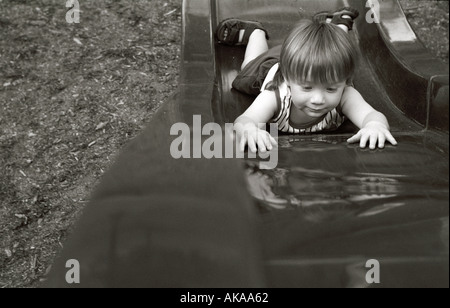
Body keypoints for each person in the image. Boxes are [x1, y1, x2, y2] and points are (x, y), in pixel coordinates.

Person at [215, 7, 398, 153]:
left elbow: (371, 115)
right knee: (248, 67)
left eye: (330, 89)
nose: (318, 99)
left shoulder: (344, 92)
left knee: (337, 55)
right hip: (271, 68)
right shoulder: (275, 95)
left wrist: (375, 126)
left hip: (314, 64)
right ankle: (255, 33)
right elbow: (245, 120)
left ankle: (336, 24)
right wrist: (249, 130)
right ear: (288, 79)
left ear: (344, 81)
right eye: (307, 88)